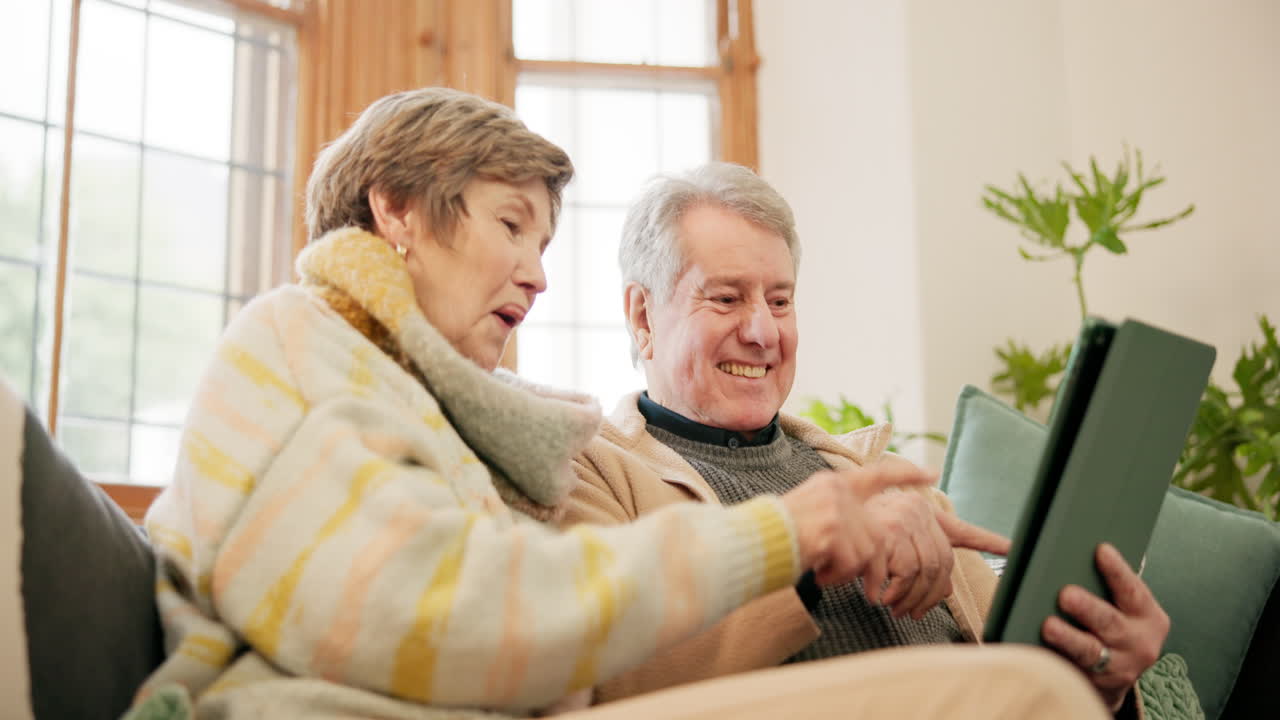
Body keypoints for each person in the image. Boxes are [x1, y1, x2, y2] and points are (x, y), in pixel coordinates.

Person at [115, 88, 1109, 719]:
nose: (537, 277)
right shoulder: (313, 342)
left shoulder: (855, 469)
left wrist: (1113, 670)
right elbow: (475, 622)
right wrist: (793, 540)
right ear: (396, 209)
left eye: (779, 300)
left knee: (1038, 687)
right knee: (1017, 701)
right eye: (511, 224)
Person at [565, 162, 1169, 716]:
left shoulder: (877, 474)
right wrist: (800, 553)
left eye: (781, 301)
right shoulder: (590, 474)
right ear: (643, 315)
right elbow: (610, 684)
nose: (762, 332)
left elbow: (1019, 680)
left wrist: (1103, 680)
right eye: (726, 298)